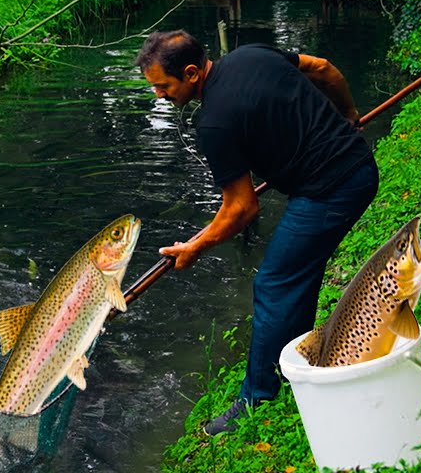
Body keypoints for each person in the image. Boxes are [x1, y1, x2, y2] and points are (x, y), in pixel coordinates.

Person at [135, 30, 378, 436]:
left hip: (331, 189)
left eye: (163, 86)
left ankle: (258, 398)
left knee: (275, 283)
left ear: (191, 73)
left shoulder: (215, 123)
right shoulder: (252, 54)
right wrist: (348, 113)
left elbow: (242, 208)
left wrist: (196, 246)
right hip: (355, 165)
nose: (159, 95)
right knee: (296, 274)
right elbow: (324, 69)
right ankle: (296, 362)